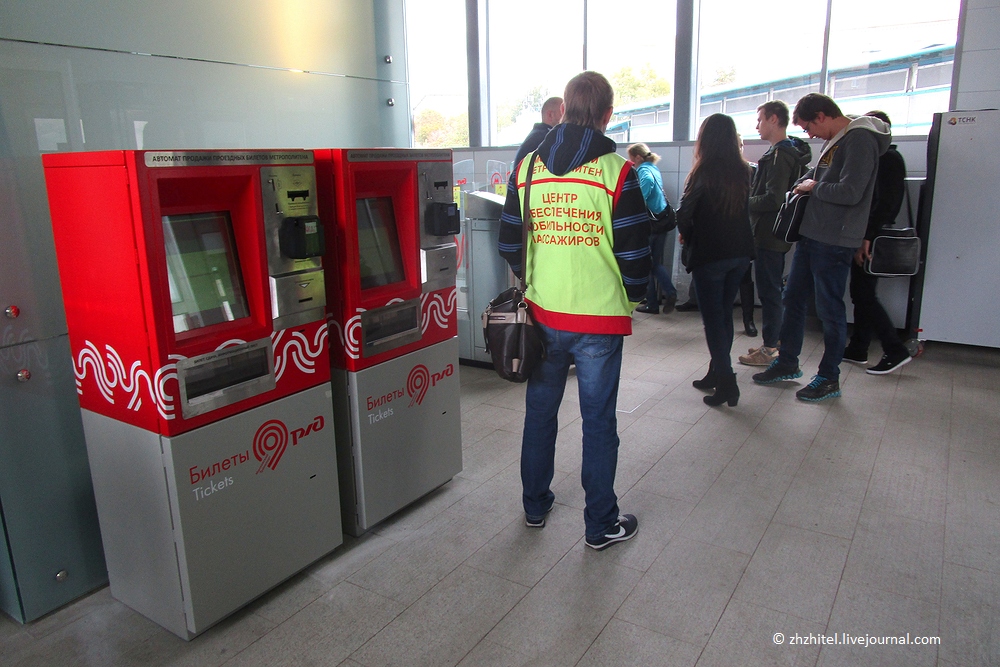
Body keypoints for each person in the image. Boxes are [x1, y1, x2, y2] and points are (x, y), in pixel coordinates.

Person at [498, 71, 649, 550]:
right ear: (607, 115)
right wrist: (636, 296)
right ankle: (600, 524)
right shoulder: (616, 172)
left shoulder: (528, 169)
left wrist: (538, 276)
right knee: (599, 421)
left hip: (543, 316)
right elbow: (634, 254)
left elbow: (507, 242)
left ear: (562, 111)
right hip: (599, 321)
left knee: (540, 413)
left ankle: (535, 505)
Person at [753, 93, 890, 401]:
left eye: (807, 127)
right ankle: (787, 362)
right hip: (812, 233)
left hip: (835, 238)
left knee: (829, 309)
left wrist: (813, 187)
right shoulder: (838, 139)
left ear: (821, 116)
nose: (808, 135)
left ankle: (829, 377)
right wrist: (802, 183)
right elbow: (817, 173)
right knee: (793, 299)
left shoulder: (859, 140)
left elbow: (851, 191)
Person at [676, 113, 755, 407]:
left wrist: (687, 234)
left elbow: (683, 214)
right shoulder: (745, 170)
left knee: (713, 321)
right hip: (740, 253)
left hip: (711, 255)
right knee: (724, 315)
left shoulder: (702, 172)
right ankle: (715, 372)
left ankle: (727, 383)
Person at [739, 100, 812, 367]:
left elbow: (773, 199)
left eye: (759, 120)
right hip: (771, 233)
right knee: (771, 290)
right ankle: (772, 341)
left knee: (769, 292)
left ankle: (770, 348)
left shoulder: (781, 156)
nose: (756, 126)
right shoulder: (781, 153)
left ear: (773, 119)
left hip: (769, 234)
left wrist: (742, 202)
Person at [843, 110, 912, 375]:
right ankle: (858, 348)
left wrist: (867, 237)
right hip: (866, 235)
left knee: (864, 295)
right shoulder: (880, 158)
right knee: (861, 293)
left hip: (872, 238)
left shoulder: (889, 159)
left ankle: (894, 349)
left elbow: (887, 205)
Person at [629, 142, 678, 314]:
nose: (632, 164)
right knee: (655, 263)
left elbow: (647, 185)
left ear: (637, 157)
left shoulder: (643, 170)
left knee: (647, 264)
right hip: (662, 221)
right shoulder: (654, 168)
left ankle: (653, 302)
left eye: (632, 160)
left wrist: (637, 200)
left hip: (650, 223)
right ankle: (667, 293)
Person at [512, 96, 563, 169]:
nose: (565, 118)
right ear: (550, 115)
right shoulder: (546, 139)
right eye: (562, 114)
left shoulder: (536, 136)